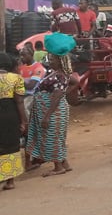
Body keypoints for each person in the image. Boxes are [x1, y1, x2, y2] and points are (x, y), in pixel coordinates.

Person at [26, 32, 76, 177]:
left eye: (53, 58)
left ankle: (58, 167)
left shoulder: (59, 75)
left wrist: (47, 115)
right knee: (58, 137)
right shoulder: (60, 73)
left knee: (52, 137)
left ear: (60, 61)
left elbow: (58, 94)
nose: (50, 60)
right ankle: (64, 163)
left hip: (52, 111)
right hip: (55, 108)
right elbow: (74, 83)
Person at [0, 53, 27, 191]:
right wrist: (23, 121)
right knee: (10, 145)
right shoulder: (15, 78)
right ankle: (10, 181)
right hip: (10, 115)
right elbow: (19, 101)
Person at [18, 47, 47, 171]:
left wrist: (16, 79)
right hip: (23, 98)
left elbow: (31, 85)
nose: (22, 57)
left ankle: (35, 157)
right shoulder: (21, 68)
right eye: (20, 55)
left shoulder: (38, 68)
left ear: (31, 54)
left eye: (24, 55)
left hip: (32, 100)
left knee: (29, 129)